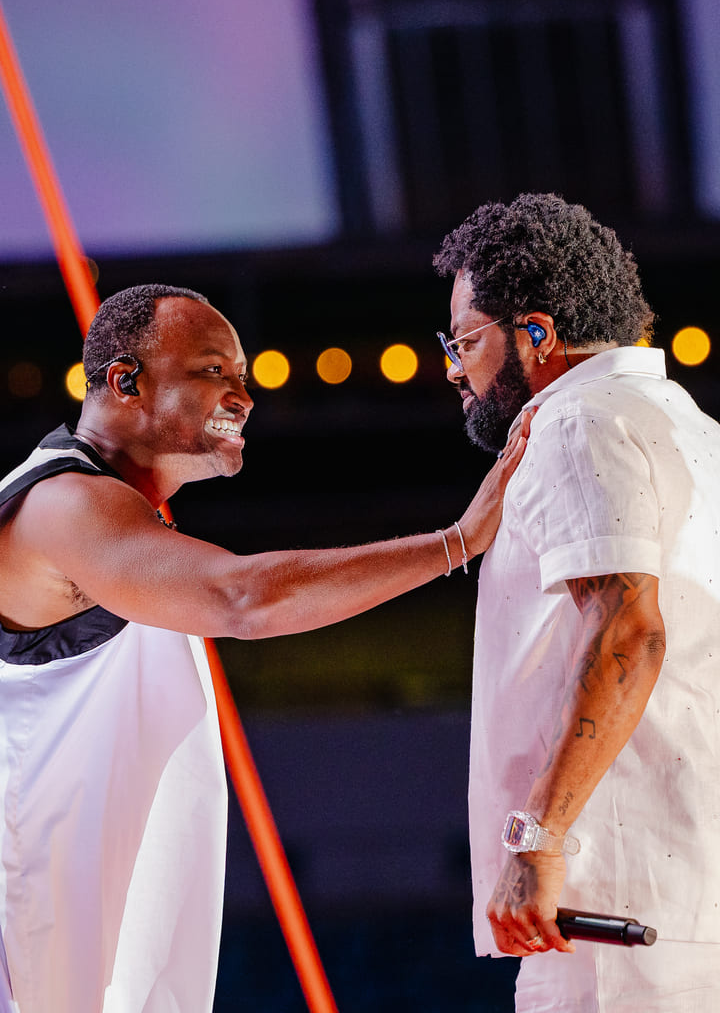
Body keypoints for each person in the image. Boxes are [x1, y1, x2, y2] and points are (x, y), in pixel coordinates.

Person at [0, 283, 529, 1013]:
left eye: (243, 375)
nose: (244, 397)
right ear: (125, 381)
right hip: (31, 942)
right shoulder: (64, 504)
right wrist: (457, 542)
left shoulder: (115, 512)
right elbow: (244, 599)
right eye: (213, 370)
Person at [434, 193, 720, 1012]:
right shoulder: (694, 429)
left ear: (536, 334)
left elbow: (628, 629)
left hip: (613, 917)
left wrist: (537, 839)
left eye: (464, 341)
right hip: (683, 901)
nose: (454, 370)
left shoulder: (572, 422)